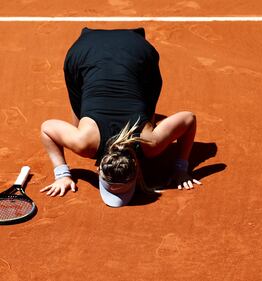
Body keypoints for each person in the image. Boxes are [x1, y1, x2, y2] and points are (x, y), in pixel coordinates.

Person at [40, 27, 201, 207]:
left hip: (131, 50)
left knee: (137, 115)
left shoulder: (150, 143)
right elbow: (46, 128)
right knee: (82, 122)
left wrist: (181, 169)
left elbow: (189, 119)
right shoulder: (84, 142)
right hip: (91, 51)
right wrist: (62, 173)